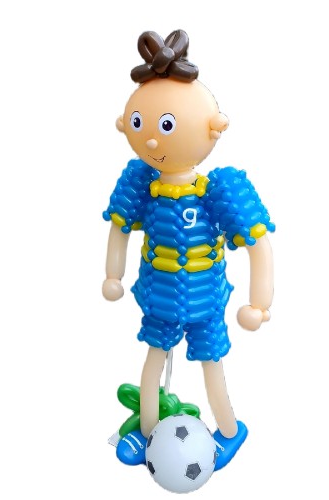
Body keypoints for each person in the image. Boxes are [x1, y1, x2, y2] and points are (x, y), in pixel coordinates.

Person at [102, 29, 275, 471]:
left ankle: (229, 432)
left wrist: (259, 302)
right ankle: (147, 432)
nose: (152, 140)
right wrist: (113, 275)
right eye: (138, 124)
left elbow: (258, 242)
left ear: (214, 127)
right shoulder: (140, 184)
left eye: (165, 126)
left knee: (211, 365)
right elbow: (120, 227)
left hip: (206, 301)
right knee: (152, 362)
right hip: (158, 299)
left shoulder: (220, 190)